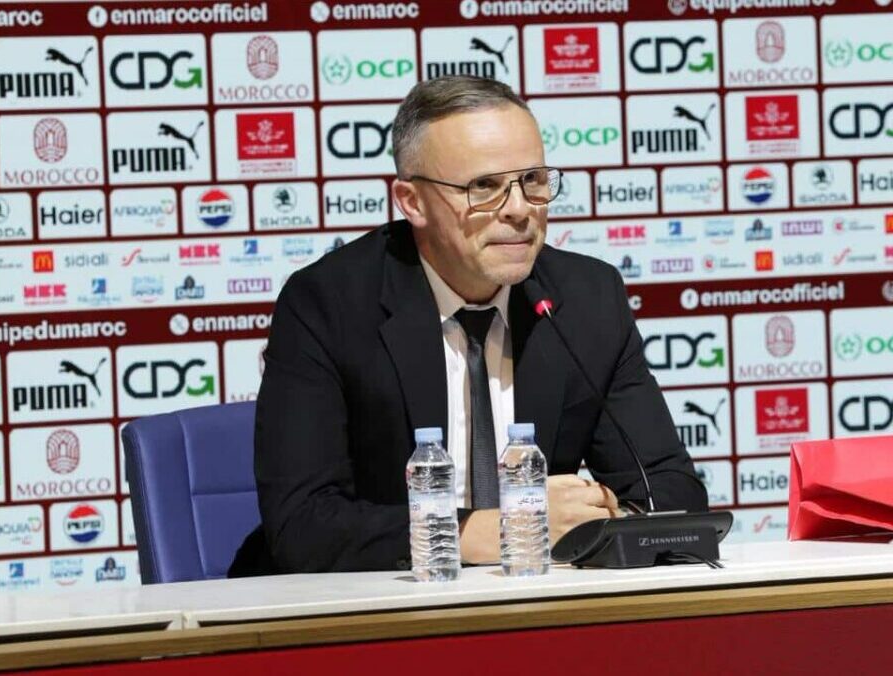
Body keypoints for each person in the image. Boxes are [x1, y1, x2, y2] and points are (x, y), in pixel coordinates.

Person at [229, 75, 707, 575]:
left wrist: (596, 516)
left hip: (534, 602)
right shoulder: (328, 304)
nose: (519, 210)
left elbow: (672, 491)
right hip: (371, 603)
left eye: (533, 180)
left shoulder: (587, 299)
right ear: (412, 202)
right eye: (484, 187)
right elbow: (303, 526)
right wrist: (494, 530)